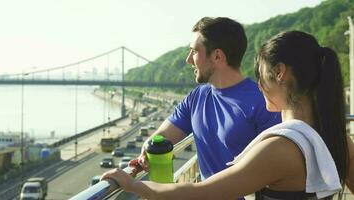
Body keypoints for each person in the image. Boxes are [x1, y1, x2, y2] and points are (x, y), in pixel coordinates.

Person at [102, 30, 354, 199]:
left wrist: (132, 184)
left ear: (279, 73)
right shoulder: (338, 137)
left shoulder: (280, 148)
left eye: (261, 74)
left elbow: (201, 194)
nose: (258, 85)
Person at [132, 17, 280, 182]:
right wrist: (147, 148)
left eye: (194, 51)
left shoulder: (264, 102)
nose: (188, 60)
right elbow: (163, 136)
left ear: (217, 56)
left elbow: (273, 171)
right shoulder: (196, 97)